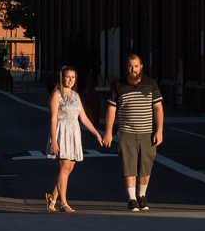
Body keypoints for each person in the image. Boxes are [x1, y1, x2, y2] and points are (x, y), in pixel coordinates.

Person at [102, 52, 164, 212]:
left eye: (136, 66)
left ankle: (142, 196)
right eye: (130, 66)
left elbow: (158, 107)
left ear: (141, 67)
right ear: (126, 67)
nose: (133, 69)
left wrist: (160, 130)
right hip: (126, 133)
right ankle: (132, 199)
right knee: (128, 166)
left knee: (145, 166)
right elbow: (111, 109)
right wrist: (108, 132)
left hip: (147, 133)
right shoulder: (118, 85)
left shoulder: (150, 84)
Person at [45, 65, 102, 212]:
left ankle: (52, 197)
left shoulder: (76, 95)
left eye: (73, 77)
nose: (70, 80)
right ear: (62, 78)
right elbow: (52, 119)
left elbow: (83, 117)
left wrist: (96, 133)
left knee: (69, 168)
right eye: (67, 77)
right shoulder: (56, 95)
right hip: (61, 133)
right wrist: (54, 140)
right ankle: (63, 203)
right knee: (64, 167)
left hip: (74, 133)